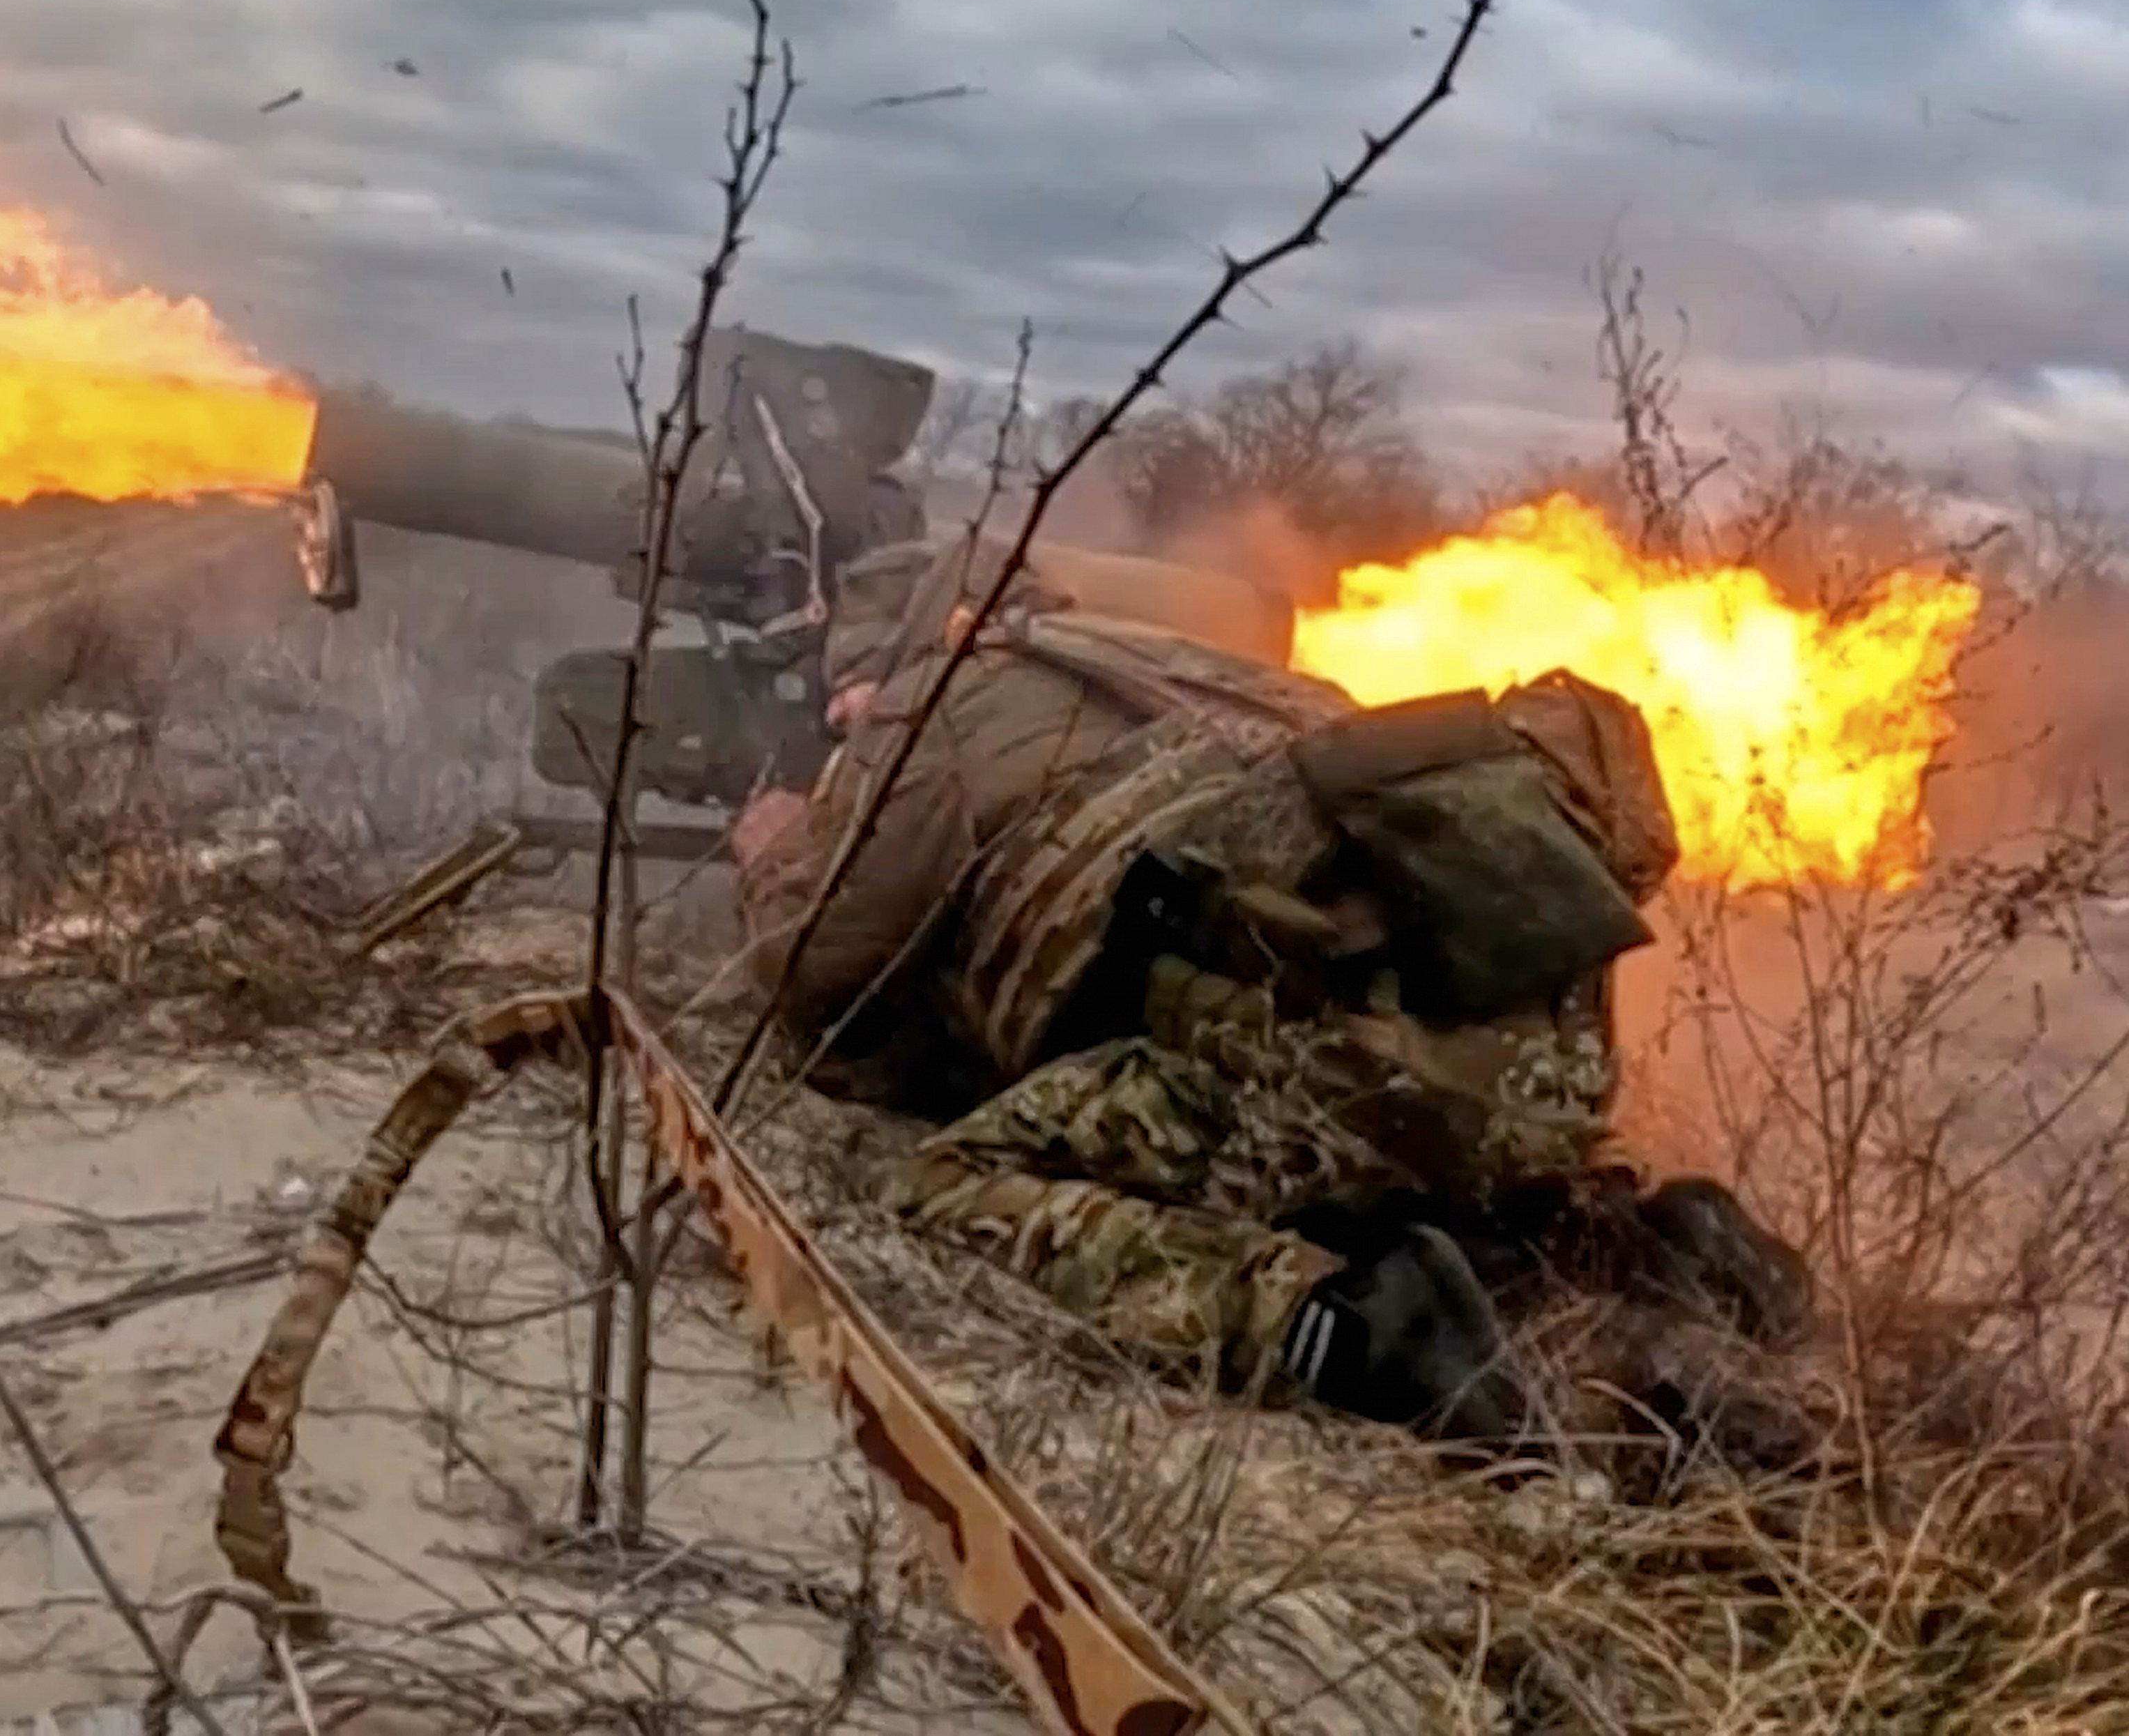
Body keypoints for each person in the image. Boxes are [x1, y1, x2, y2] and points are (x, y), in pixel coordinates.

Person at [733, 537, 1811, 1449]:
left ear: (919, 643)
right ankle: (1655, 1241)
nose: (847, 714)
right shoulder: (1193, 661)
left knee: (944, 1183)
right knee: (1393, 1150)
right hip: (1509, 1066)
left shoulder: (938, 694)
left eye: (850, 693)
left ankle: (1343, 1326)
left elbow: (824, 958)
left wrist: (773, 853)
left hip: (1307, 1064)